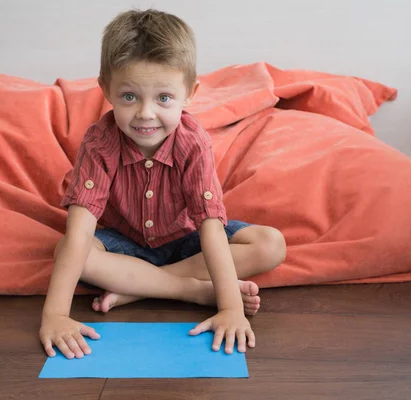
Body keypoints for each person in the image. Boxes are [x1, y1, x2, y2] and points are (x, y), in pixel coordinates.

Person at [39, 8, 286, 360]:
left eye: (164, 98)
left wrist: (231, 309)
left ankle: (137, 288)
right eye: (129, 97)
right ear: (105, 89)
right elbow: (79, 232)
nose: (145, 113)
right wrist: (55, 316)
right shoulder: (99, 142)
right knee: (69, 251)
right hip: (123, 242)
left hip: (186, 240)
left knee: (270, 244)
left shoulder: (193, 141)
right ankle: (190, 291)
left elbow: (211, 228)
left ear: (190, 93)